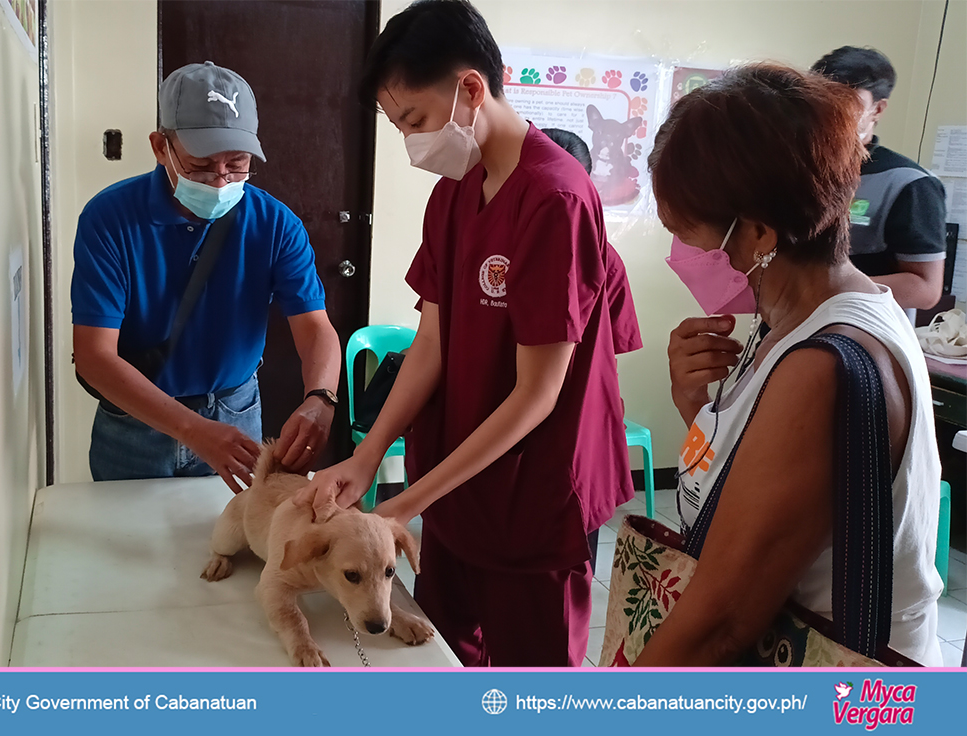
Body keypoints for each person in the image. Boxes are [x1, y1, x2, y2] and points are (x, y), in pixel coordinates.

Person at [296, 0, 639, 667]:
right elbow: (432, 346)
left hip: (534, 491)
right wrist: (368, 461)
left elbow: (539, 394)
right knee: (449, 658)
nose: (412, 143)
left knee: (530, 678)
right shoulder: (455, 191)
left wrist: (406, 504)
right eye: (398, 126)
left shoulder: (555, 198)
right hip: (459, 487)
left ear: (471, 89)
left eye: (416, 120)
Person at [638, 64, 941, 666]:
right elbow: (750, 485)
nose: (681, 253)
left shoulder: (822, 364)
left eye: (684, 232)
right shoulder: (794, 322)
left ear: (755, 233)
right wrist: (694, 406)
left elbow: (721, 623)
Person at [72, 62, 342, 491]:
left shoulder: (274, 224)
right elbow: (93, 355)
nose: (220, 181)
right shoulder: (110, 219)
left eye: (237, 165)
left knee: (234, 547)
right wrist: (193, 430)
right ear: (161, 147)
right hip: (134, 425)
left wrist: (321, 398)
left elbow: (314, 327)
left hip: (235, 415)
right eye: (200, 166)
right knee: (128, 545)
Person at [544, 127, 643, 575]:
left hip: (580, 428)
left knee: (569, 571)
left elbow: (611, 349)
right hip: (511, 435)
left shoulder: (605, 258)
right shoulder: (493, 253)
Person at [812, 46, 947, 317]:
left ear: (878, 108)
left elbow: (925, 289)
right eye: (820, 100)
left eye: (845, 100)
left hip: (860, 338)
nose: (830, 111)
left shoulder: (910, 184)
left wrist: (820, 290)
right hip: (785, 331)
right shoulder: (800, 171)